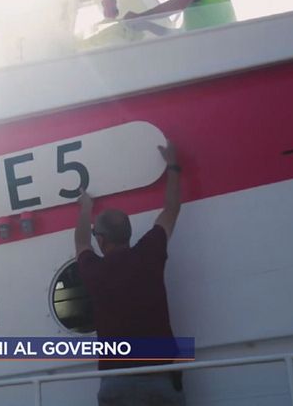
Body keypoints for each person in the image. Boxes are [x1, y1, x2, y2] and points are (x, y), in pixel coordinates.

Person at [74, 142, 184, 406]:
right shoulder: (149, 253)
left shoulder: (94, 271)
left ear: (101, 240)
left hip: (116, 384)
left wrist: (85, 208)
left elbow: (81, 242)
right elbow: (171, 209)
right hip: (160, 380)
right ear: (128, 233)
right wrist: (173, 166)